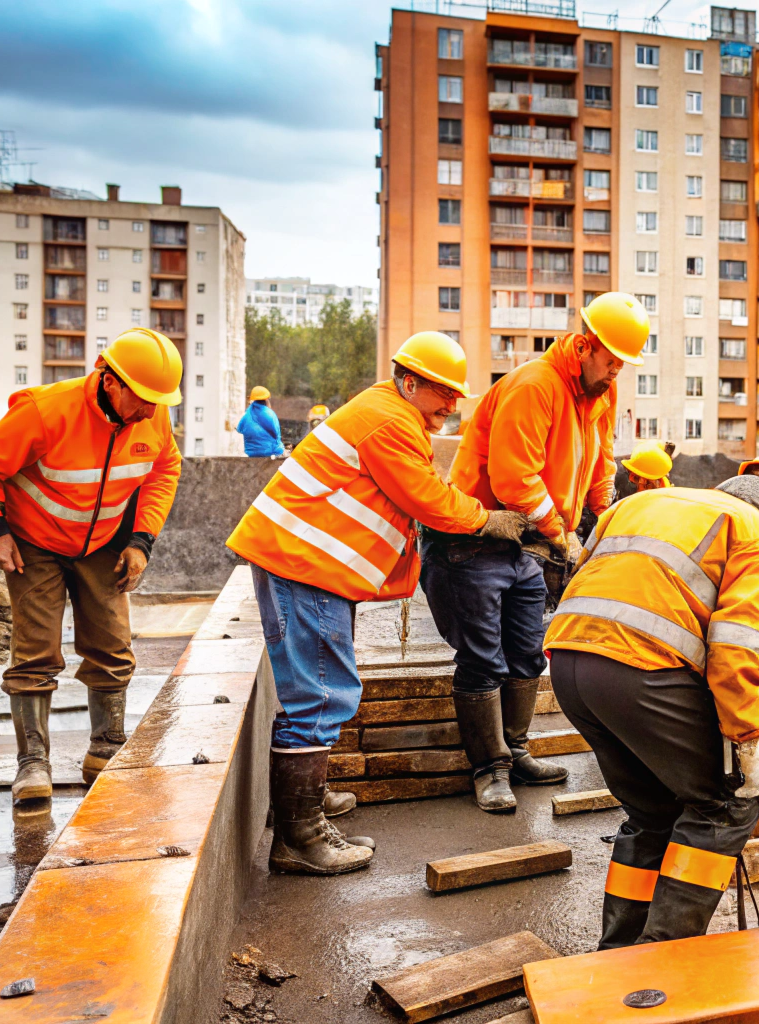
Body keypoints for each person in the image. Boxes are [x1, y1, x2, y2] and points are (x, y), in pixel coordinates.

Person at [226, 332, 529, 874]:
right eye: (443, 393)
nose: (451, 406)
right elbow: (428, 498)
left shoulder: (389, 413)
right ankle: (300, 836)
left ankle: (305, 807)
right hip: (305, 565)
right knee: (321, 695)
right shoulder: (390, 422)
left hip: (304, 563)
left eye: (456, 395)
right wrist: (488, 519)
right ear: (409, 382)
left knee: (317, 691)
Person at [545, 445, 759, 948]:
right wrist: (748, 743)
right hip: (639, 673)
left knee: (652, 811)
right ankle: (661, 960)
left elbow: (587, 578)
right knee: (726, 804)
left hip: (568, 664)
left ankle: (617, 953)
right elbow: (736, 655)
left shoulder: (638, 504)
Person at [430, 293, 646, 812]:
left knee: (527, 649)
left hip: (522, 542)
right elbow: (515, 480)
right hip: (476, 538)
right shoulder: (536, 386)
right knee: (484, 658)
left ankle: (516, 751)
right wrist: (564, 536)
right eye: (611, 359)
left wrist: (604, 518)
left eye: (624, 364)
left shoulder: (600, 393)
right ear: (584, 345)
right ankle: (490, 770)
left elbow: (601, 462)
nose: (616, 371)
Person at [0, 328, 184, 804]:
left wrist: (141, 540)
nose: (152, 410)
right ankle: (33, 763)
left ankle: (105, 751)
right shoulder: (47, 411)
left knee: (112, 645)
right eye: (144, 398)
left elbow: (165, 470)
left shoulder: (154, 417)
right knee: (36, 652)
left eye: (159, 400)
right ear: (111, 382)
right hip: (33, 543)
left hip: (102, 541)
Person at [240, 385, 285, 458]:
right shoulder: (270, 414)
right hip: (269, 453)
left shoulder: (247, 415)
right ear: (266, 400)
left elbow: (240, 429)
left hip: (251, 453)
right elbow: (277, 435)